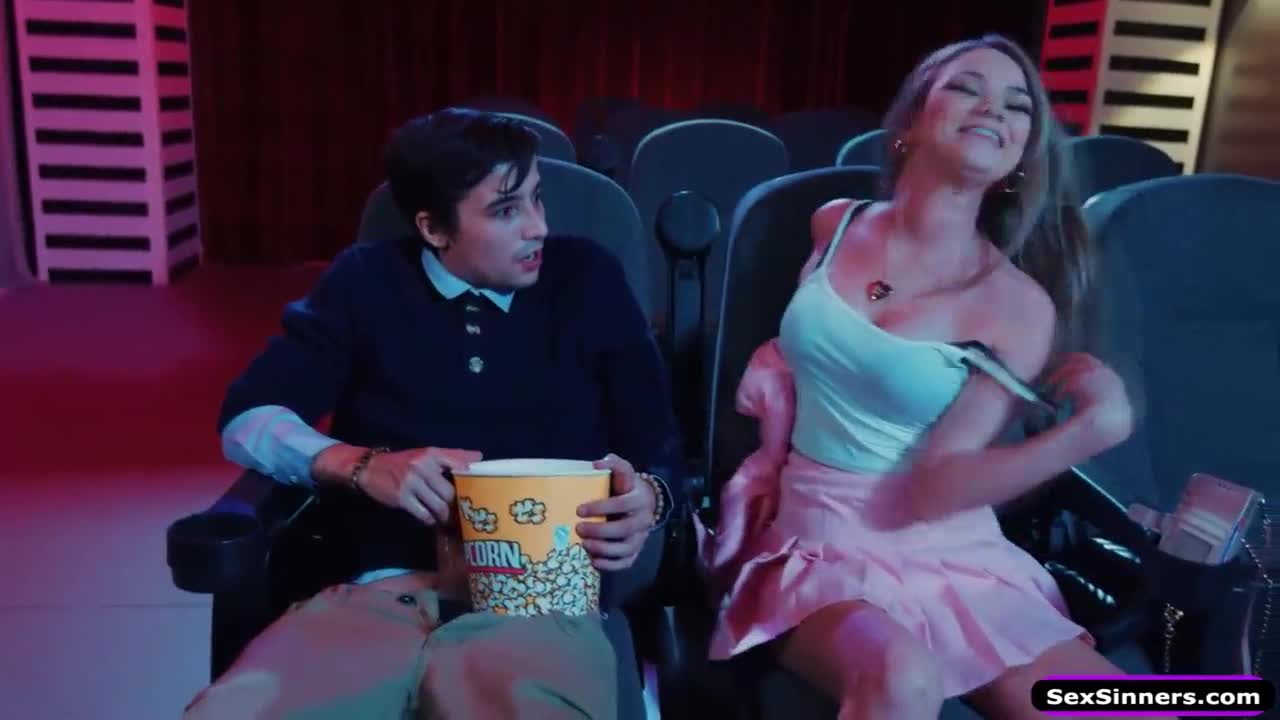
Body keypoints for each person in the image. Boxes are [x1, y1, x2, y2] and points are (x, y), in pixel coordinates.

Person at [699, 35, 1173, 720]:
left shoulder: (1017, 306)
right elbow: (841, 338)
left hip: (956, 553)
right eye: (966, 87)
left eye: (1017, 105)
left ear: (1020, 155)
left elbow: (938, 486)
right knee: (903, 679)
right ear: (911, 122)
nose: (993, 109)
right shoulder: (833, 224)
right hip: (820, 539)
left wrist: (1089, 431)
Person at [183, 108, 683, 720]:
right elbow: (248, 417)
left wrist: (650, 496)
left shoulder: (587, 277)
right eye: (506, 211)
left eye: (536, 199)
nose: (538, 227)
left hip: (539, 601)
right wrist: (358, 464)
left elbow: (657, 441)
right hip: (378, 595)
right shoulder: (365, 281)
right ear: (434, 228)